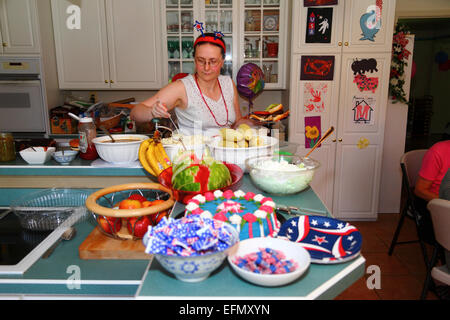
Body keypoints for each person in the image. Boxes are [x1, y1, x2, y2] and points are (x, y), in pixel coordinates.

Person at [130, 33, 253, 136]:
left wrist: (255, 124)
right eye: (201, 60)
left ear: (222, 61)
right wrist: (152, 111)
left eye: (213, 61)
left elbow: (237, 121)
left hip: (224, 156)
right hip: (192, 158)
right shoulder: (182, 87)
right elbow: (135, 113)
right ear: (194, 59)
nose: (206, 67)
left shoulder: (228, 84)